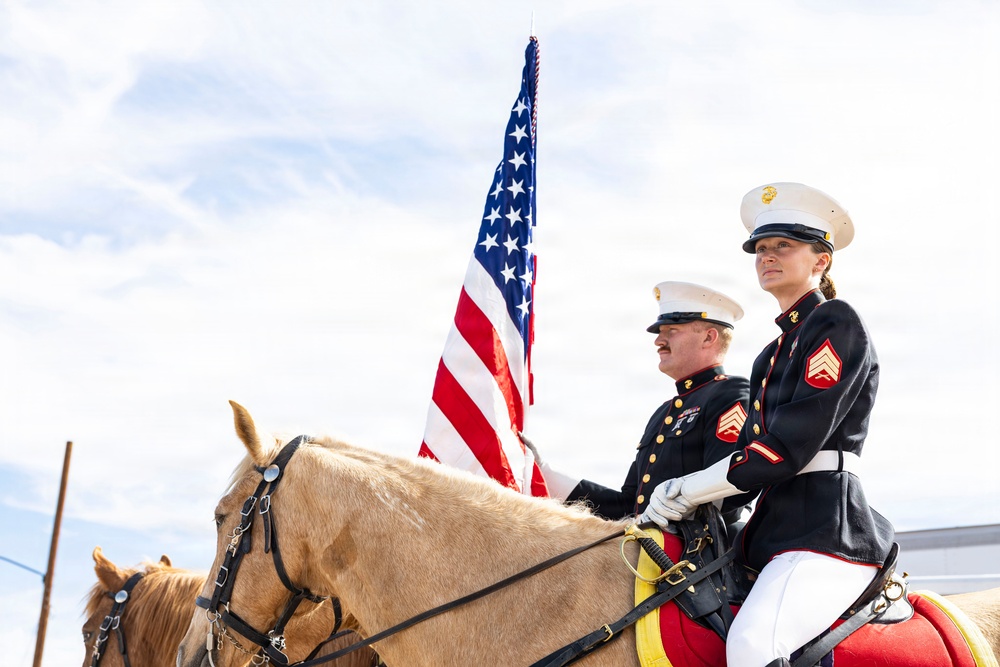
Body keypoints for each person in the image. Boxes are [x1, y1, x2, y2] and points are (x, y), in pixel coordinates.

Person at [640, 183, 895, 667]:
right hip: (768, 532)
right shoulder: (770, 353)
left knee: (754, 645)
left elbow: (783, 450)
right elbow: (745, 476)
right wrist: (669, 508)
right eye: (760, 248)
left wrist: (689, 487)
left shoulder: (834, 321)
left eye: (783, 246)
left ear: (821, 261)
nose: (767, 256)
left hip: (825, 529)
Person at [534, 281, 751, 526]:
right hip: (650, 548)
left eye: (672, 330)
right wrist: (544, 473)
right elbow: (628, 506)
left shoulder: (729, 392)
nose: (659, 340)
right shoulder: (664, 413)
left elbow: (729, 491)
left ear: (709, 337)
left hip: (697, 554)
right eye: (660, 332)